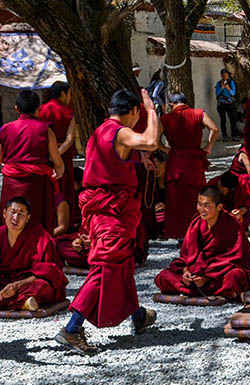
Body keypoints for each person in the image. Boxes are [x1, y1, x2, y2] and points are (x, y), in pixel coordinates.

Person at [58, 89, 160, 356]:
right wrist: (153, 110)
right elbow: (150, 141)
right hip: (111, 212)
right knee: (104, 269)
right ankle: (71, 328)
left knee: (122, 266)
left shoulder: (99, 133)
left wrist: (140, 158)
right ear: (134, 111)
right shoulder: (119, 131)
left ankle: (137, 316)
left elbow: (112, 160)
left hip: (102, 209)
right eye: (139, 112)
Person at [0, 197, 67, 312]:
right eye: (12, 212)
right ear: (4, 213)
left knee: (42, 287)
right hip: (5, 286)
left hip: (28, 283)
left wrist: (17, 285)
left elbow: (47, 272)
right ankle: (23, 303)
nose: (15, 218)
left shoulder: (39, 235)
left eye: (21, 214)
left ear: (28, 218)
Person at [155, 186, 250, 299]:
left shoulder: (231, 224)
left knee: (235, 276)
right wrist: (186, 272)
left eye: (207, 206)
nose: (201, 209)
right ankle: (218, 292)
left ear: (219, 207)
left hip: (218, 275)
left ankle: (197, 290)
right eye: (199, 204)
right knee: (163, 276)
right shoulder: (197, 223)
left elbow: (238, 258)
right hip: (196, 275)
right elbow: (186, 255)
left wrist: (207, 277)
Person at [0, 90, 64, 231]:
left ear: (17, 108)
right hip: (36, 184)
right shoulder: (45, 130)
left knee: (12, 223)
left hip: (11, 185)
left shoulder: (6, 129)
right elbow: (58, 163)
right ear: (38, 108)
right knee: (36, 224)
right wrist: (57, 174)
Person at [158, 93, 218, 240]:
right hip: (194, 162)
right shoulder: (198, 113)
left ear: (171, 105)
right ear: (185, 102)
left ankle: (180, 234)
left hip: (176, 161)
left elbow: (154, 139)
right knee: (196, 197)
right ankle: (200, 230)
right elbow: (214, 129)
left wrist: (166, 150)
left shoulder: (166, 119)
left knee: (177, 199)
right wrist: (208, 146)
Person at [37, 81, 78, 213]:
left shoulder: (42, 110)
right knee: (65, 189)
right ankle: (67, 220)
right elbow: (70, 139)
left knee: (49, 190)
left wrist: (49, 156)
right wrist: (57, 155)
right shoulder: (69, 112)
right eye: (69, 94)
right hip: (63, 155)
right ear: (63, 94)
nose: (70, 98)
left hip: (45, 156)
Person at [215, 69, 240, 140]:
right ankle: (224, 136)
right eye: (223, 75)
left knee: (232, 120)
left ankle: (234, 136)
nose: (224, 76)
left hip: (229, 103)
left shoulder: (231, 82)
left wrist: (228, 88)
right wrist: (222, 88)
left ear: (228, 75)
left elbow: (233, 93)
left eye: (225, 75)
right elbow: (217, 93)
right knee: (223, 120)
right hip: (222, 103)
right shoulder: (219, 83)